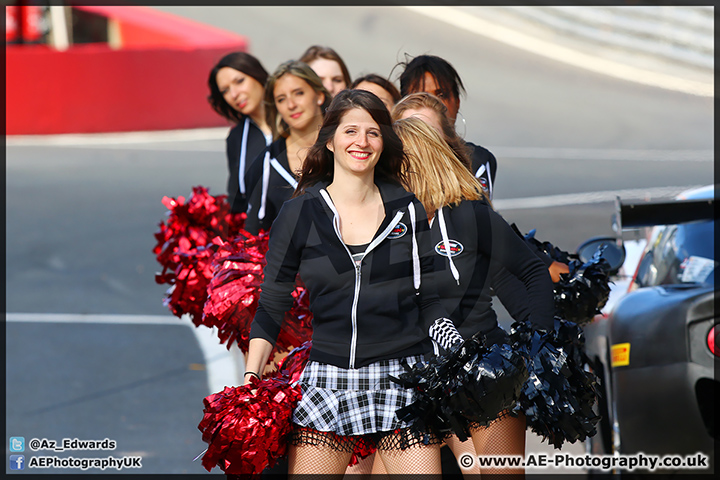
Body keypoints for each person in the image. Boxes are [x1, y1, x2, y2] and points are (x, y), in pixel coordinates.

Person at [243, 89, 461, 475]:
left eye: (373, 133)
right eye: (351, 131)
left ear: (383, 142)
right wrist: (250, 375)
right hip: (329, 377)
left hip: (402, 376)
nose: (362, 142)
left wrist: (457, 349)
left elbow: (428, 299)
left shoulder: (404, 208)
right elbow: (272, 303)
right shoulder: (300, 214)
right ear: (329, 139)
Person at [394, 116, 555, 477]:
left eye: (395, 163)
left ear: (419, 163)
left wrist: (537, 345)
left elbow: (532, 272)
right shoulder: (389, 226)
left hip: (484, 376)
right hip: (416, 380)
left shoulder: (471, 215)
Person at [392, 92, 570, 285]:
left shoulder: (467, 203)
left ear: (448, 139)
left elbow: (505, 262)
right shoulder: (377, 200)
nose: (421, 142)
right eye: (410, 132)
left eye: (430, 133)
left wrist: (539, 262)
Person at [244, 61, 330, 234]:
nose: (291, 105)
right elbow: (254, 233)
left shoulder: (347, 146)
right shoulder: (267, 162)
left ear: (319, 95)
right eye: (281, 99)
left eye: (299, 93)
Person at [397, 54, 498, 200]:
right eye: (420, 96)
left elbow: (477, 217)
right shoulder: (388, 160)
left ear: (457, 102)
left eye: (441, 95)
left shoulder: (477, 160)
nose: (432, 105)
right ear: (403, 106)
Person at [207, 52, 272, 214]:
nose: (234, 95)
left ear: (257, 76)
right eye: (225, 91)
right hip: (263, 236)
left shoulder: (295, 119)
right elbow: (237, 203)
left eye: (240, 81)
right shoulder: (236, 138)